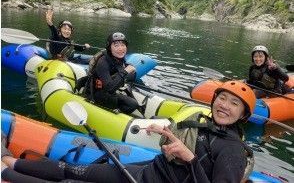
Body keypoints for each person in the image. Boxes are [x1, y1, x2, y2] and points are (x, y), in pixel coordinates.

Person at [1, 81, 256, 183]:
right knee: (73, 170)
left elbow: (195, 164)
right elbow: (187, 146)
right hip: (148, 171)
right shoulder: (206, 125)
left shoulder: (233, 151)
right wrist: (167, 134)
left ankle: (5, 171)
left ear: (243, 114)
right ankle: (10, 161)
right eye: (222, 99)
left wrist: (189, 159)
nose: (224, 106)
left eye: (234, 104)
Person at [86, 32, 141, 115]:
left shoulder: (119, 59)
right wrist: (125, 71)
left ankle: (117, 114)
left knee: (133, 104)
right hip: (95, 93)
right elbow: (110, 88)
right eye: (116, 45)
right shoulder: (103, 62)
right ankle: (108, 114)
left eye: (123, 45)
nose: (120, 48)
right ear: (109, 48)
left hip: (109, 92)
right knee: (112, 99)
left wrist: (130, 72)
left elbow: (124, 78)